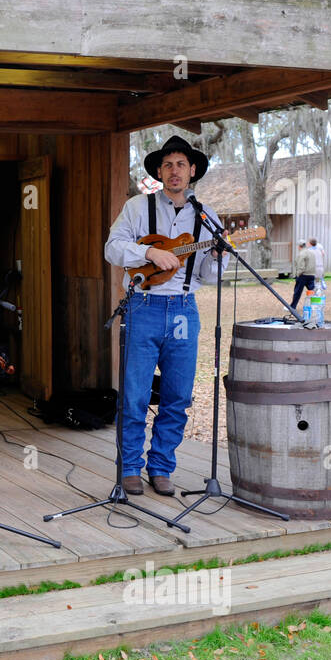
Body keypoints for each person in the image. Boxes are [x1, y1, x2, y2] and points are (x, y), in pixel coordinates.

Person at [103, 135, 229, 497]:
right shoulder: (137, 208)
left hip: (184, 310)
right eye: (168, 165)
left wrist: (217, 260)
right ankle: (129, 468)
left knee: (177, 395)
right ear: (159, 171)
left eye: (181, 165)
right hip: (144, 306)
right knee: (135, 394)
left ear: (192, 171)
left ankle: (161, 467)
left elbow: (206, 274)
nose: (175, 171)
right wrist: (149, 253)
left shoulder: (207, 217)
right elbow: (112, 248)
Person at [291, 239, 316, 308]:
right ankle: (315, 305)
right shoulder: (312, 253)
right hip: (311, 275)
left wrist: (297, 275)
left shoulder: (301, 254)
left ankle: (293, 307)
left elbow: (301, 267)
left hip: (303, 275)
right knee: (312, 291)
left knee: (297, 292)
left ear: (299, 246)